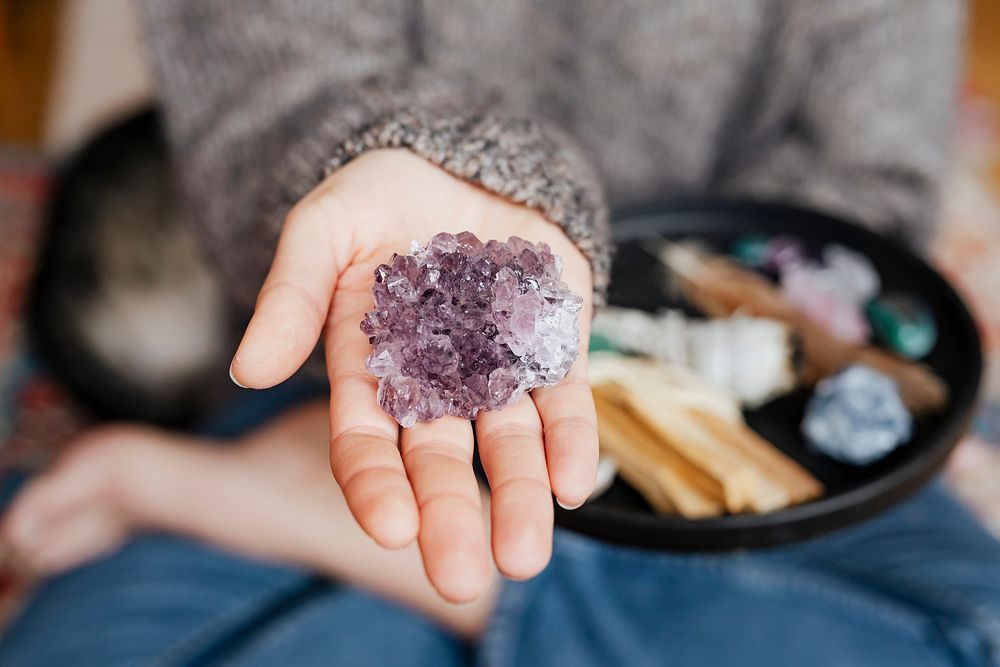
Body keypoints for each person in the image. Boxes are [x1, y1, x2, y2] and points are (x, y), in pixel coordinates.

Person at [3, 1, 996, 665]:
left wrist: (649, 330)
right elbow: (276, 88)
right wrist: (452, 172)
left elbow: (868, 191)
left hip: (749, 418)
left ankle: (292, 511)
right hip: (361, 395)